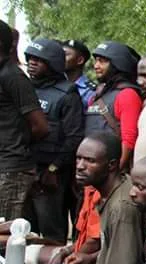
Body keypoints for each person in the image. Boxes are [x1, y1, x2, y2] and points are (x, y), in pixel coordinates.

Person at [28, 132, 146, 264]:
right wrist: (88, 257)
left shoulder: (121, 208)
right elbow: (113, 247)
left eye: (90, 161)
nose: (80, 166)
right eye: (78, 159)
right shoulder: (107, 192)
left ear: (112, 165)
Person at [24, 38, 84, 243]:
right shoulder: (24, 87)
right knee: (21, 228)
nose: (32, 62)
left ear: (52, 63)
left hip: (51, 174)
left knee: (52, 232)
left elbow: (74, 136)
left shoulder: (67, 93)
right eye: (30, 58)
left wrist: (53, 169)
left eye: (38, 60)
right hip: (25, 169)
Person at [0, 20, 49, 221]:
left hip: (11, 171)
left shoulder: (13, 76)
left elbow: (40, 126)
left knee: (5, 234)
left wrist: (16, 144)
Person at [85, 41, 142, 171]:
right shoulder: (96, 97)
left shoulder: (127, 95)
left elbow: (128, 140)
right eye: (96, 61)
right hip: (91, 172)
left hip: (110, 174)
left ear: (118, 64)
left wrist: (114, 174)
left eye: (102, 61)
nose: (96, 66)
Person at [63, 40, 96, 108]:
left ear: (80, 60)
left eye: (65, 55)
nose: (60, 58)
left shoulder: (90, 91)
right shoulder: (55, 82)